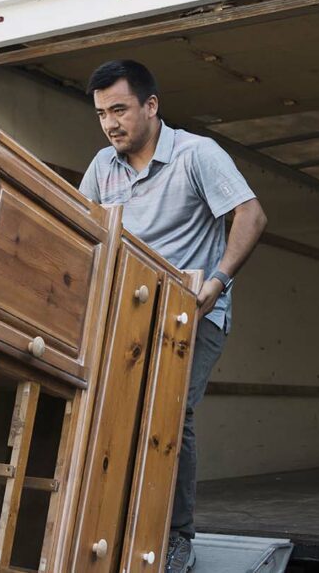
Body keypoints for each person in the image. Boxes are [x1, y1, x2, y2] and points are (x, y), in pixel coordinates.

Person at [79, 60, 267, 573]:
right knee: (112, 410)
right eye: (101, 114)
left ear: (151, 105)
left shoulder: (196, 154)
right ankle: (115, 521)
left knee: (170, 411)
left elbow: (250, 215)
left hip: (193, 313)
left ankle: (177, 536)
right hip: (130, 315)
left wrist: (217, 281)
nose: (110, 123)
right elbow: (85, 236)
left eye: (119, 109)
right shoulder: (102, 167)